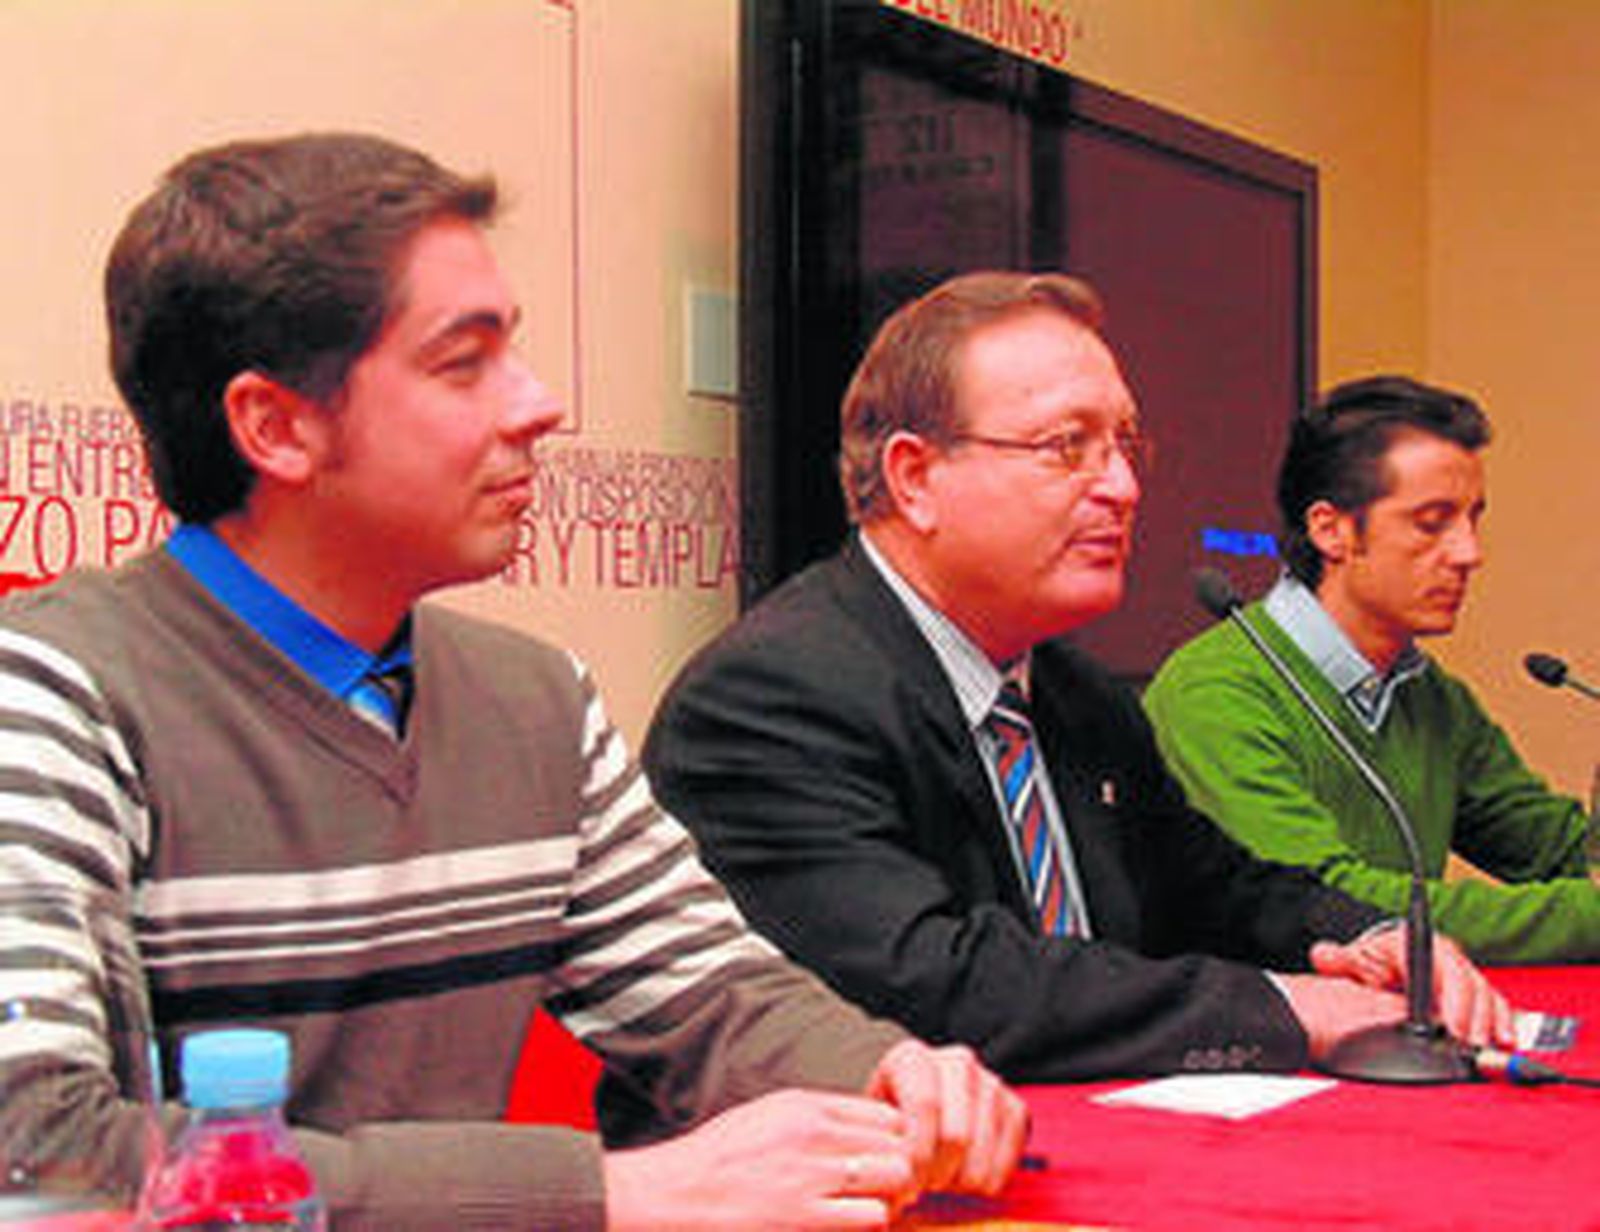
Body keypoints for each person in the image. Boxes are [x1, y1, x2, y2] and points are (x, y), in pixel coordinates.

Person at [0, 133, 1028, 1232]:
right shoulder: (51, 693)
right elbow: (41, 1154)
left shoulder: (535, 700)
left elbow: (709, 998)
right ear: (275, 425)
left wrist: (887, 1073)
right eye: (464, 362)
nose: (539, 404)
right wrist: (605, 1192)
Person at [643, 272, 1513, 1083]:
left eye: (1126, 445)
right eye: (1069, 447)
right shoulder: (772, 697)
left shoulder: (1077, 696)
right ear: (915, 478)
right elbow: (937, 983)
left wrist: (1370, 936)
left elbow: (1214, 886)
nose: (1124, 487)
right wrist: (1287, 1006)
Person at [1144, 375, 1600, 963]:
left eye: (1473, 520)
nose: (1470, 553)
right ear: (1330, 530)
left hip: (1396, 1029)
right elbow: (1332, 906)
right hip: (1258, 1041)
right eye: (1433, 522)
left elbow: (1551, 845)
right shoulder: (1215, 694)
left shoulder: (1430, 696)